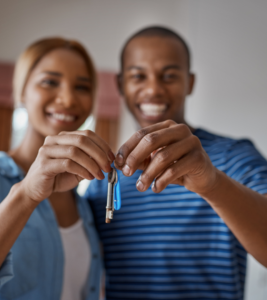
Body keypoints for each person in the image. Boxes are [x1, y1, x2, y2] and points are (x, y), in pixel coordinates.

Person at [86, 26, 267, 300]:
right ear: (121, 84)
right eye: (138, 76)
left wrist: (213, 184)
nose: (153, 89)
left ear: (190, 82)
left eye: (169, 76)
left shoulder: (234, 157)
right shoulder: (103, 180)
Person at [0, 37, 115, 300]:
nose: (68, 98)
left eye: (82, 87)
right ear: (21, 91)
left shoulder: (85, 204)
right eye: (50, 81)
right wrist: (26, 194)